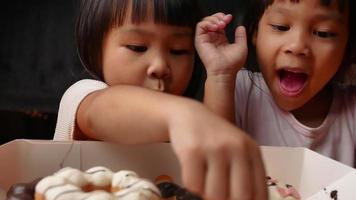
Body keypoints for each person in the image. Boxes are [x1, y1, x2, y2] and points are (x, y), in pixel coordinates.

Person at [53, 0, 268, 199]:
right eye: (138, 47)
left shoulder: (182, 122)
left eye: (178, 50)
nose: (160, 66)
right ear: (95, 48)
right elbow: (101, 111)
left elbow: (217, 159)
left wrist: (220, 75)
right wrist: (183, 114)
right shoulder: (84, 95)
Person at [196, 0, 356, 166]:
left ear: (349, 47)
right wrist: (220, 75)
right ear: (255, 32)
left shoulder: (351, 111)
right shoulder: (236, 88)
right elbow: (212, 165)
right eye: (281, 27)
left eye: (323, 33)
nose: (297, 46)